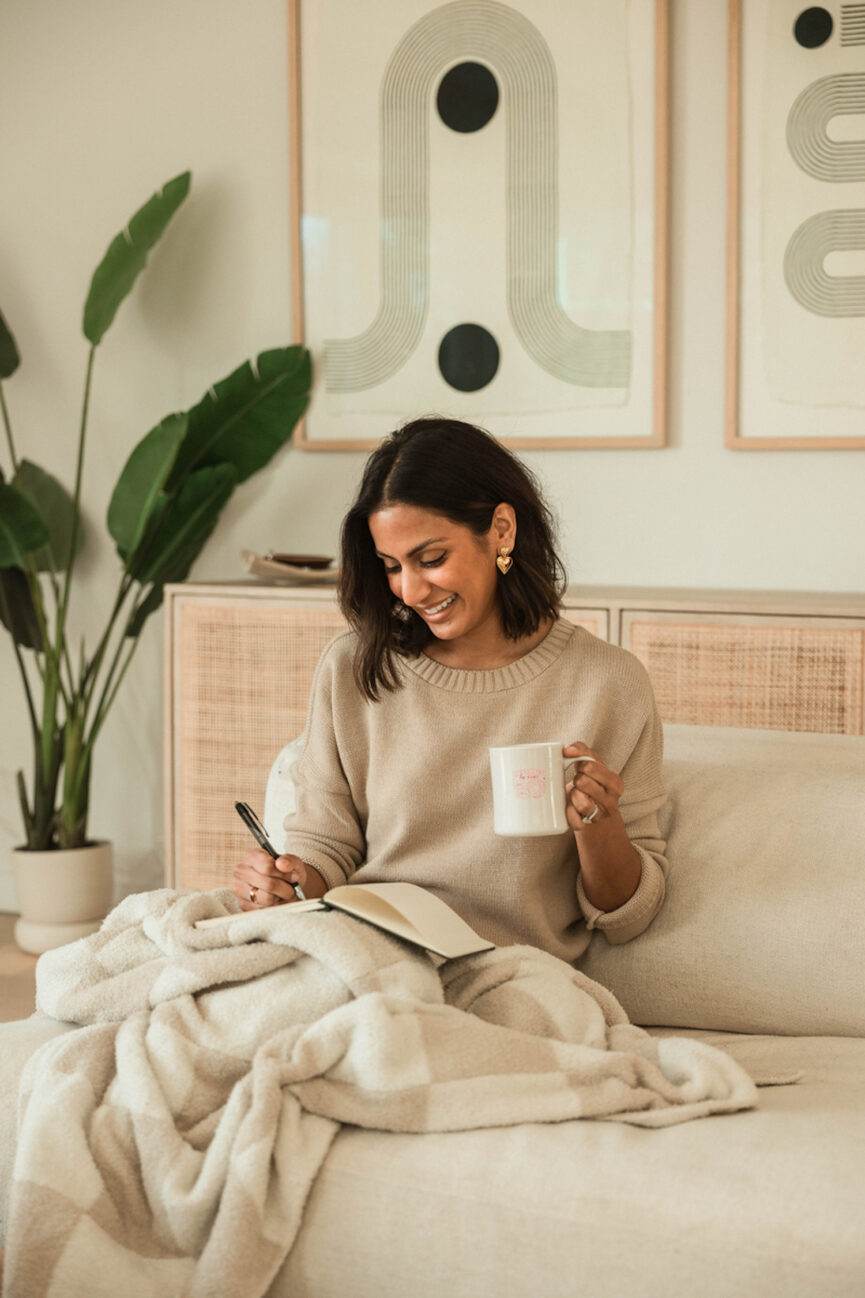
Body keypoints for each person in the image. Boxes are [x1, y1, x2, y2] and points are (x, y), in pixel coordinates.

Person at [233, 417, 668, 963]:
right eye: (392, 567)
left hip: (509, 972)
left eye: (431, 559)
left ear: (501, 530)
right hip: (364, 955)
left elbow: (629, 914)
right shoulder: (352, 668)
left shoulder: (609, 683)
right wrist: (287, 883)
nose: (411, 590)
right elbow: (327, 850)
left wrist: (597, 823)